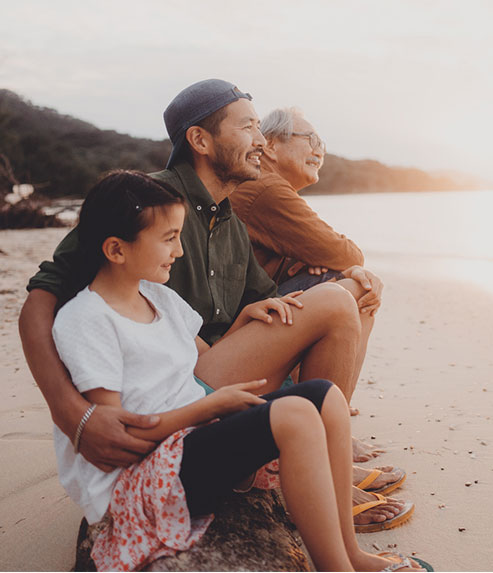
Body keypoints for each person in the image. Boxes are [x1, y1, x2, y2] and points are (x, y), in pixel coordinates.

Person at [20, 79, 406, 528]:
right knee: (335, 304)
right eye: (248, 128)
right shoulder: (148, 201)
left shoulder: (229, 218)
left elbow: (266, 300)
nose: (261, 141)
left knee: (346, 294)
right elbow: (42, 294)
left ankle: (318, 463)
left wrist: (334, 277)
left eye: (261, 128)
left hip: (212, 366)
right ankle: (319, 478)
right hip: (175, 387)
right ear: (200, 141)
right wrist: (74, 415)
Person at [51, 169, 430, 572]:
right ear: (116, 249)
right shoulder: (86, 320)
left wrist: (243, 323)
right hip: (141, 477)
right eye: (168, 239)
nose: (178, 252)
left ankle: (353, 554)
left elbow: (193, 361)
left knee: (324, 397)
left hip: (189, 440)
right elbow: (116, 438)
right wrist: (211, 406)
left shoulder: (158, 296)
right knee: (296, 416)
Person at [230, 107, 383, 423]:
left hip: (246, 314)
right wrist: (330, 263)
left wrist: (313, 261)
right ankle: (333, 423)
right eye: (310, 139)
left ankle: (326, 399)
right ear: (270, 145)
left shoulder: (267, 187)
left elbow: (326, 252)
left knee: (336, 277)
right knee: (360, 289)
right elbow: (348, 253)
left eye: (323, 144)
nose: (318, 150)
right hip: (238, 331)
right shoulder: (266, 187)